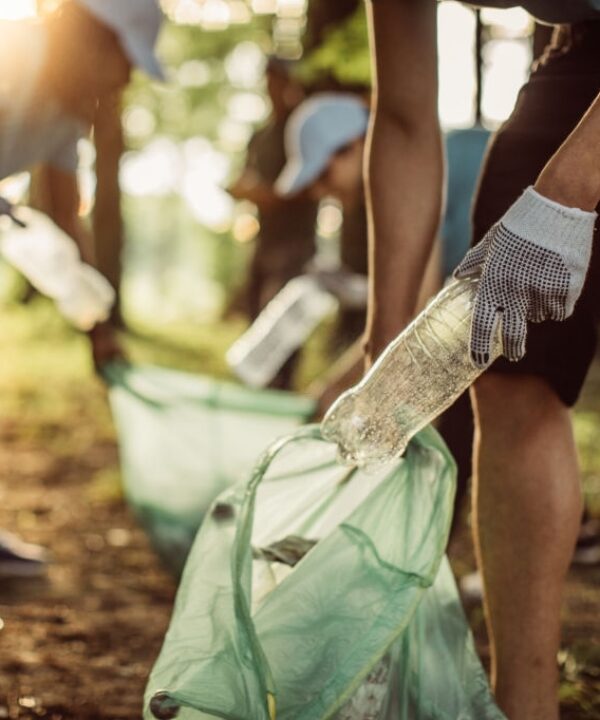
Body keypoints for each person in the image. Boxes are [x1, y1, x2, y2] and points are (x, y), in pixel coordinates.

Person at [358, 4, 600, 719]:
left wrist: (567, 194)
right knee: (508, 356)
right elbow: (403, 118)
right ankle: (523, 706)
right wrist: (387, 342)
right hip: (582, 54)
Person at [0, 0, 164, 579]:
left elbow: (68, 216)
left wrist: (97, 324)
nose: (121, 80)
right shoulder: (11, 56)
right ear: (88, 37)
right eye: (121, 61)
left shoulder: (66, 113)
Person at [227, 57, 318, 389]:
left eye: (278, 80)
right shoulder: (261, 135)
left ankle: (282, 384)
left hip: (296, 242)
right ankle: (258, 382)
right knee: (257, 315)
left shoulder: (302, 131)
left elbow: (309, 186)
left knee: (283, 316)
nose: (272, 88)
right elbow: (247, 176)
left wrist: (267, 195)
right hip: (263, 240)